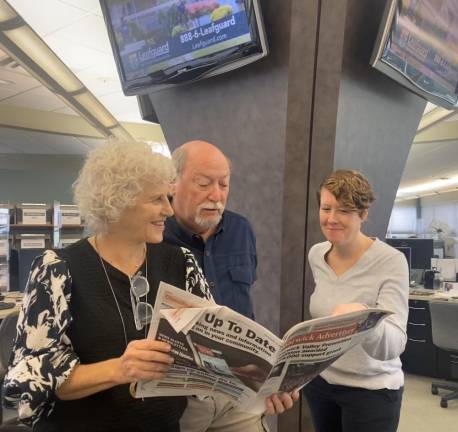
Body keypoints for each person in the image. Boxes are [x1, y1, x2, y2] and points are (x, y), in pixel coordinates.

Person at [3, 140, 212, 432]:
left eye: (168, 197)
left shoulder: (182, 262)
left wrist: (262, 385)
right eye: (156, 199)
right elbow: (31, 376)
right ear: (116, 202)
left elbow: (213, 348)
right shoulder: (57, 269)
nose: (169, 209)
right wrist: (120, 369)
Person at [165, 140, 298, 431]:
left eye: (224, 185)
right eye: (203, 183)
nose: (216, 195)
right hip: (179, 397)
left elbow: (244, 305)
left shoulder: (241, 230)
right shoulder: (153, 233)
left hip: (239, 391)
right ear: (171, 184)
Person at [302, 169, 409, 432]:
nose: (331, 219)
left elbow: (395, 343)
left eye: (344, 211)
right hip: (323, 384)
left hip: (371, 391)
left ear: (363, 214)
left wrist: (363, 319)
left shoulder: (391, 261)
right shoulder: (317, 254)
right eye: (326, 208)